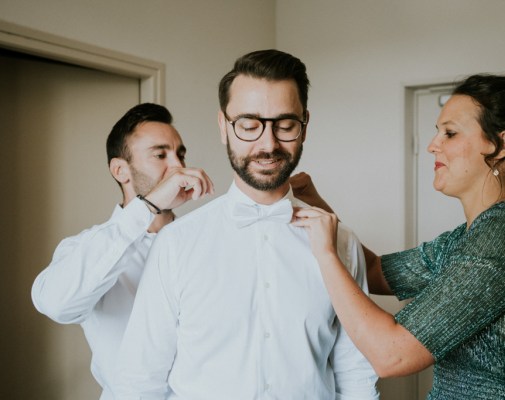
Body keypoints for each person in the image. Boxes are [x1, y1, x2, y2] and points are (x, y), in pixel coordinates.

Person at [293, 74, 505, 399]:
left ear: (501, 144)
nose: (433, 144)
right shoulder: (466, 238)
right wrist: (318, 207)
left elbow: (391, 354)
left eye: (449, 133)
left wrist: (325, 254)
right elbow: (374, 270)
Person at [113, 50, 379, 399]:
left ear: (304, 125)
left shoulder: (342, 244)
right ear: (224, 127)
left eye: (285, 126)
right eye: (250, 126)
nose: (268, 144)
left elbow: (356, 374)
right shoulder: (176, 244)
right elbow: (140, 380)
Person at [31, 103, 215, 399]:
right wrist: (149, 206)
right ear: (120, 170)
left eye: (180, 154)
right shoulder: (87, 249)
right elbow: (55, 303)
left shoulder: (205, 244)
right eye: (160, 154)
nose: (178, 166)